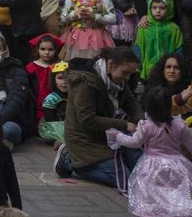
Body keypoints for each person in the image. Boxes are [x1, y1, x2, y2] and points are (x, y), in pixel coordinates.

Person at [109, 86, 192, 217]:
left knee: (154, 192)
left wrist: (117, 136)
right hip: (177, 163)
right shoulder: (180, 125)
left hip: (151, 164)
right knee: (174, 191)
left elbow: (134, 142)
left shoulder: (146, 126)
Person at [58, 47, 141, 187]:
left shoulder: (117, 81)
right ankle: (69, 160)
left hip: (107, 135)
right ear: (110, 65)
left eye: (130, 74)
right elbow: (87, 120)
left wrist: (141, 121)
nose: (127, 78)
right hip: (84, 140)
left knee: (140, 172)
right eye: (125, 73)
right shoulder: (85, 82)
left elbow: (131, 102)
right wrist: (124, 125)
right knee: (123, 180)